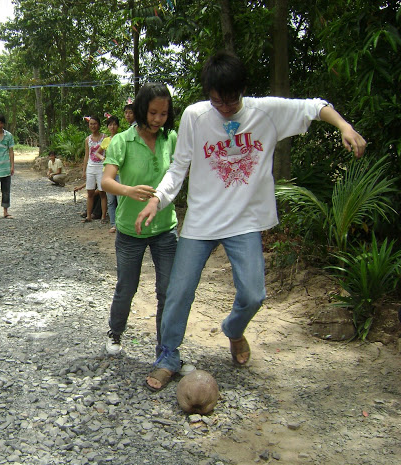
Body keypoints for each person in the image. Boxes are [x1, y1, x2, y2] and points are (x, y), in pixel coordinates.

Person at [136, 51, 367, 391]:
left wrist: (344, 126)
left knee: (254, 294)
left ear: (242, 90)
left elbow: (315, 106)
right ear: (208, 95)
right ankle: (168, 355)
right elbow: (179, 165)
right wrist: (158, 198)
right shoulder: (195, 116)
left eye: (231, 101)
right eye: (218, 101)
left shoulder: (264, 112)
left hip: (244, 221)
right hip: (201, 222)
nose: (225, 108)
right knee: (179, 290)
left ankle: (233, 329)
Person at [101, 83, 178, 357]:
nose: (158, 119)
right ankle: (115, 331)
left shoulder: (172, 139)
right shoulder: (122, 140)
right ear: (142, 110)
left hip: (165, 228)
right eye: (153, 112)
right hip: (130, 229)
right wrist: (128, 191)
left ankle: (165, 348)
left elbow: (179, 174)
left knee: (168, 290)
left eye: (164, 113)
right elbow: (106, 181)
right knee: (127, 286)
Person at [95, 115, 120, 233]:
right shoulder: (106, 140)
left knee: (120, 199)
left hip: (120, 172)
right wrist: (103, 158)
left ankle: (121, 223)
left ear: (118, 126)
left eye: (114, 124)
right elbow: (97, 153)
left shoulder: (121, 138)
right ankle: (114, 224)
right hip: (108, 172)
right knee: (110, 200)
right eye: (110, 125)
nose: (112, 127)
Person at [82, 115, 108, 223]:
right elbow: (86, 155)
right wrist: (84, 170)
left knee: (102, 192)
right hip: (91, 167)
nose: (93, 126)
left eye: (95, 123)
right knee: (90, 192)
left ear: (99, 125)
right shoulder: (88, 139)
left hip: (101, 167)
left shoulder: (105, 138)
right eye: (91, 124)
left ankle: (103, 216)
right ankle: (88, 216)